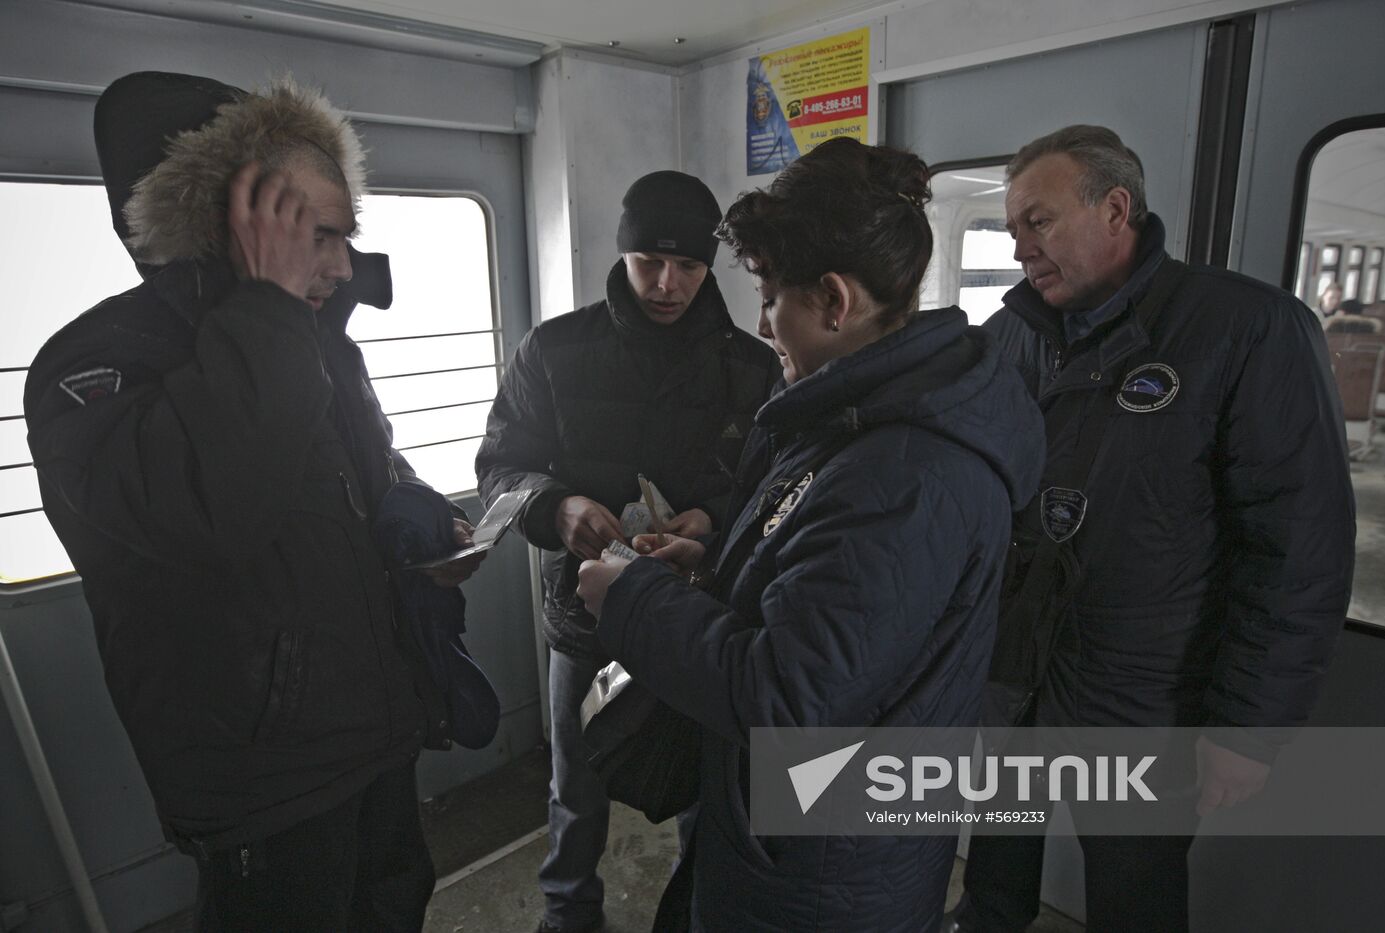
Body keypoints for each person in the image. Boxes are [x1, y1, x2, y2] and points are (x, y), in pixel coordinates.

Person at [23, 72, 485, 928]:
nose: (343, 265)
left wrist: (414, 513)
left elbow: (365, 466)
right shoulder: (93, 369)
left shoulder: (312, 343)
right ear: (224, 224)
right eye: (317, 235)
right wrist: (269, 307)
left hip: (375, 730)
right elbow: (207, 510)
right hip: (266, 777)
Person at [575, 137, 1045, 932]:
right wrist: (713, 570)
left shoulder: (907, 472)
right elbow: (815, 589)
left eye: (768, 295)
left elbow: (788, 697)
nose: (761, 324)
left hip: (824, 873)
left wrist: (635, 598)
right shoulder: (859, 417)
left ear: (833, 300)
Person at [945, 125, 1355, 933]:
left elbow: (1297, 549)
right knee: (993, 877)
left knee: (1136, 896)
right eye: (1014, 225)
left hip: (1147, 703)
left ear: (1115, 208)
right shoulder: (1010, 335)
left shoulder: (1247, 330)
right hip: (1016, 676)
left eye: (1040, 220)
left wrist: (1249, 730)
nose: (1020, 244)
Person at [475, 170, 780, 933]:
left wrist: (707, 521)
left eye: (688, 266)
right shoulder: (554, 349)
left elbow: (775, 487)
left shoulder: (753, 364)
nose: (667, 283)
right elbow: (499, 466)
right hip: (585, 614)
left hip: (698, 613)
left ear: (711, 267)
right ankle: (568, 912)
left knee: (706, 782)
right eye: (649, 261)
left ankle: (692, 909)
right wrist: (557, 505)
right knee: (574, 781)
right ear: (623, 252)